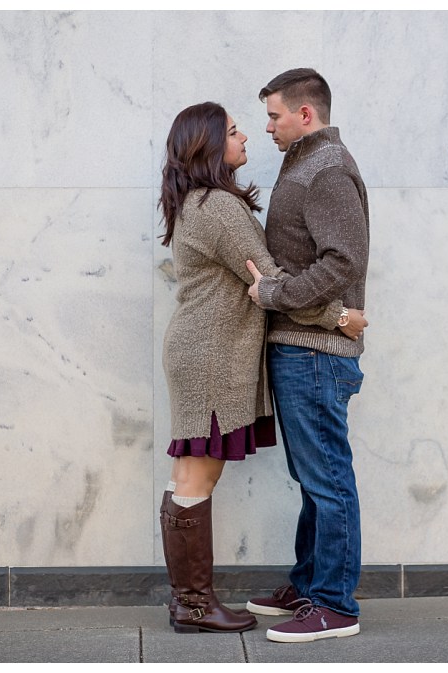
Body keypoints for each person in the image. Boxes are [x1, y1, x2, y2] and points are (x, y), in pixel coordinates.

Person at [157, 101, 366, 634]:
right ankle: (194, 605)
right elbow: (268, 280)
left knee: (190, 476)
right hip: (210, 355)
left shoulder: (199, 203)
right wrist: (338, 314)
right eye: (232, 131)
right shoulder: (220, 210)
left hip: (201, 351)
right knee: (196, 477)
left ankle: (191, 603)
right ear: (208, 146)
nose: (247, 135)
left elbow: (262, 281)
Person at [244, 68, 370, 643]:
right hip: (300, 348)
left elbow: (342, 261)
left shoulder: (327, 171)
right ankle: (308, 583)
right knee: (311, 475)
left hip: (316, 353)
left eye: (273, 116)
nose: (266, 127)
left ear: (304, 114)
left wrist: (275, 294)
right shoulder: (303, 164)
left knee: (328, 479)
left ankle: (335, 605)